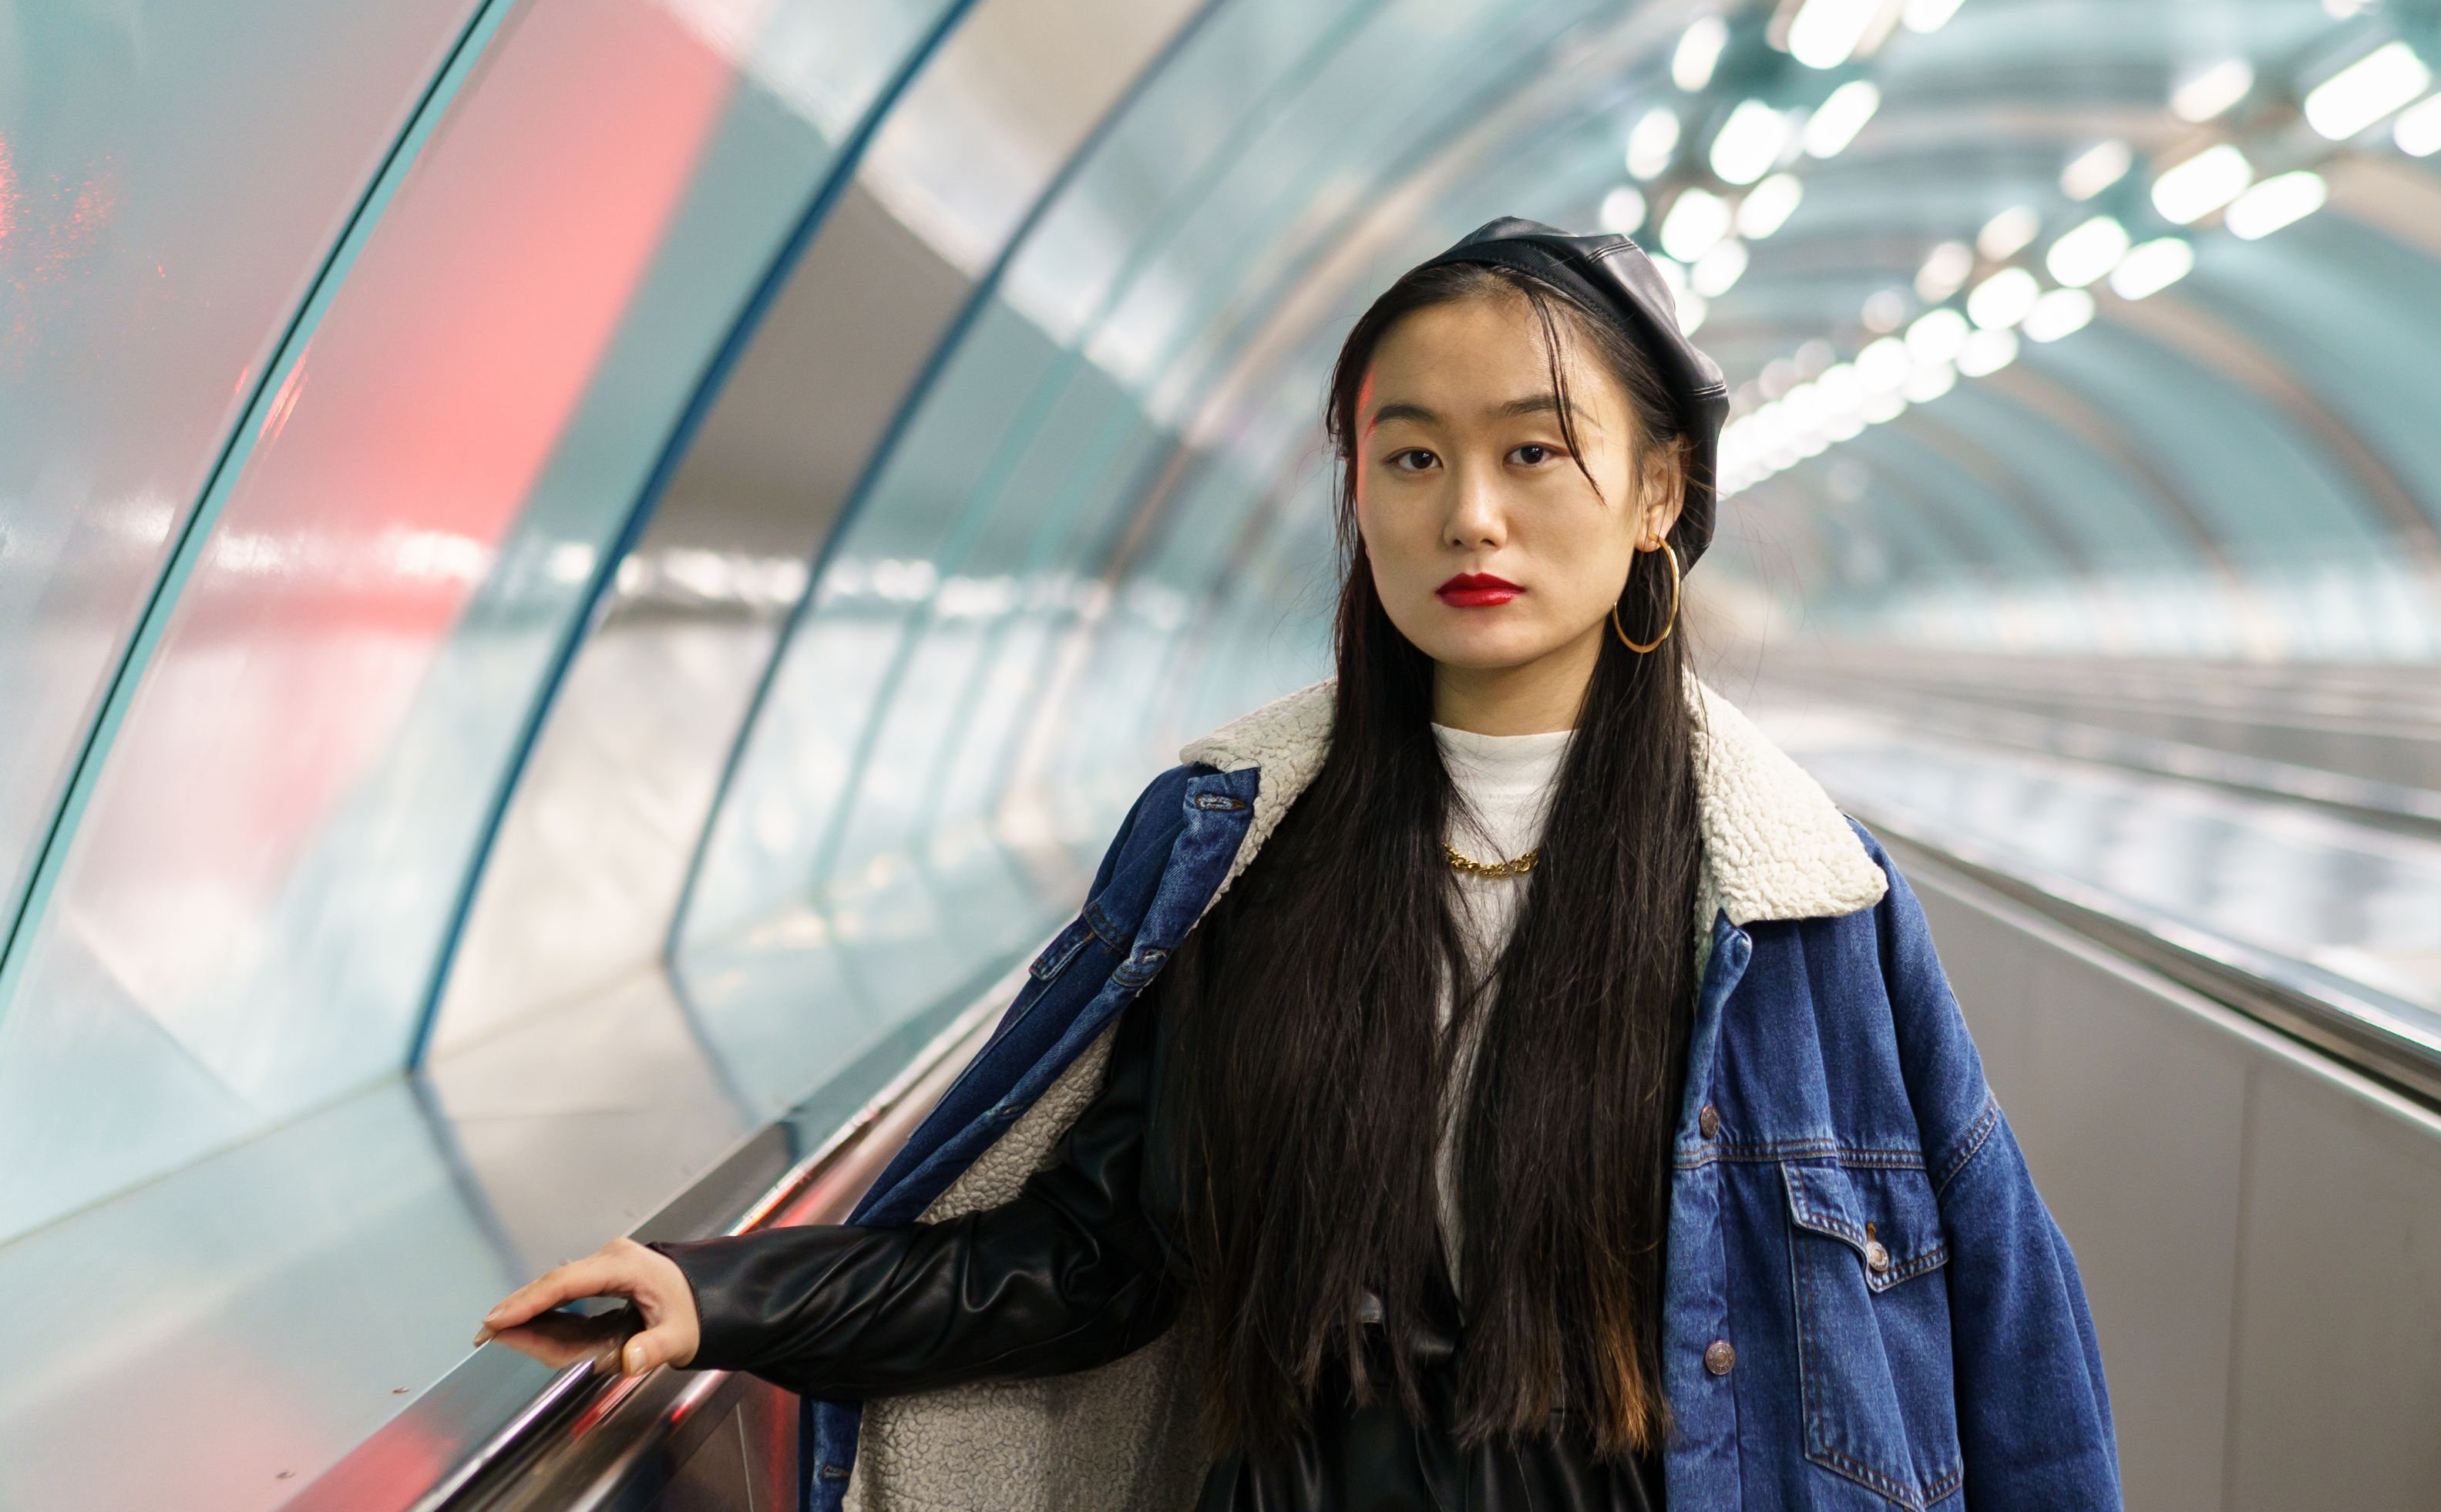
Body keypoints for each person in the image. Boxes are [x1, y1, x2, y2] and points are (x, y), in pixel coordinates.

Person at [477, 217, 2120, 1511]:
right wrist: (732, 1296)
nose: (1468, 513)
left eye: (1534, 452)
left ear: (1658, 494)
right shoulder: (1241, 841)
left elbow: (2009, 1345)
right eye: (1411, 457)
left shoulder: (1798, 905)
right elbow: (1108, 1250)